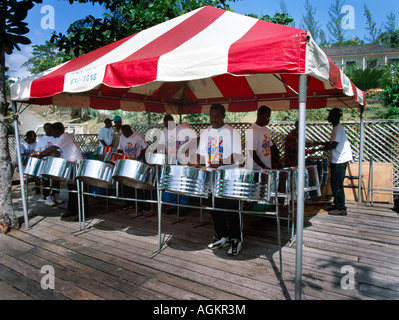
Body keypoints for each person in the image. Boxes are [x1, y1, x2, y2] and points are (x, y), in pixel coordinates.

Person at [196, 103, 243, 255]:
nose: (214, 119)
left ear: (223, 116)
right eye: (211, 115)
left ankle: (236, 239)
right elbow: (201, 155)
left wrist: (221, 162)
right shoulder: (205, 133)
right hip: (211, 175)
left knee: (232, 209)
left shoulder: (232, 133)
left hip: (228, 176)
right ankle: (222, 235)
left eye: (217, 116)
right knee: (215, 208)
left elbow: (238, 156)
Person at [38, 122, 86, 221]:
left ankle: (82, 213)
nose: (51, 132)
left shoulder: (64, 136)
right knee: (71, 189)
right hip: (71, 164)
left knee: (78, 190)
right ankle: (72, 210)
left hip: (77, 164)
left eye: (52, 130)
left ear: (57, 130)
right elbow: (55, 152)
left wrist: (41, 153)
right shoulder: (62, 137)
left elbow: (53, 148)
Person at [157, 114, 197, 215]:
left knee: (183, 184)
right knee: (171, 184)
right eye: (165, 125)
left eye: (169, 125)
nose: (167, 127)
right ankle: (173, 206)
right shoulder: (164, 132)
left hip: (183, 160)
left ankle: (184, 206)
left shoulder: (183, 129)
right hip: (170, 161)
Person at [318, 108, 353, 216]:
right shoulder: (336, 128)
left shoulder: (338, 128)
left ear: (335, 117)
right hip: (336, 159)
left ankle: (341, 208)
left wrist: (318, 149)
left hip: (340, 160)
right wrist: (318, 144)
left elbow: (333, 145)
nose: (328, 117)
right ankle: (337, 204)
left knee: (337, 184)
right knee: (334, 183)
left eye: (330, 115)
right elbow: (331, 142)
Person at [117, 124, 148, 212]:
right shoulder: (122, 137)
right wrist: (119, 154)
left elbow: (145, 147)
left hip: (137, 164)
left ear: (130, 131)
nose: (125, 135)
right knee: (127, 184)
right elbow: (120, 149)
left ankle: (142, 204)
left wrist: (139, 156)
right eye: (123, 133)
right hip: (127, 164)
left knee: (137, 184)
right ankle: (130, 203)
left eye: (126, 133)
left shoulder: (137, 137)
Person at [34, 123, 63, 206]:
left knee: (56, 179)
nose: (48, 130)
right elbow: (37, 152)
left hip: (55, 162)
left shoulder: (57, 138)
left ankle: (56, 194)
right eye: (46, 128)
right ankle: (47, 196)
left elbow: (59, 151)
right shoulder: (40, 140)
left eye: (50, 128)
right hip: (45, 162)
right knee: (46, 180)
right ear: (44, 129)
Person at [245, 105, 274, 170]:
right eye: (266, 117)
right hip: (256, 169)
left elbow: (270, 146)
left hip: (266, 168)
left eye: (269, 118)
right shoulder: (252, 131)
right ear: (259, 116)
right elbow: (252, 153)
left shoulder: (266, 129)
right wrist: (264, 167)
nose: (268, 120)